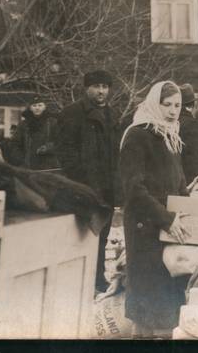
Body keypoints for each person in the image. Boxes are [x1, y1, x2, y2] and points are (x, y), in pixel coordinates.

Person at [119, 81, 190, 337]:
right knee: (147, 296)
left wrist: (188, 210)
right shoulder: (138, 135)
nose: (173, 111)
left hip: (168, 225)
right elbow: (133, 188)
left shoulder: (171, 135)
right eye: (167, 104)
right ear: (154, 104)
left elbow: (179, 181)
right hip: (145, 226)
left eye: (177, 105)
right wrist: (165, 218)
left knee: (166, 296)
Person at [57, 69, 121, 292]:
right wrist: (79, 180)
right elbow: (66, 152)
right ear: (86, 89)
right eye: (96, 87)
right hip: (83, 186)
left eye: (105, 87)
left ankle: (97, 279)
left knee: (102, 236)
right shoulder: (72, 113)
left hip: (107, 187)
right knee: (80, 234)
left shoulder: (113, 115)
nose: (101, 91)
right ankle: (74, 281)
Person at [11, 94, 59, 170]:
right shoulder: (23, 125)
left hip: (48, 166)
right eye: (34, 105)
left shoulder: (53, 123)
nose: (37, 108)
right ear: (30, 108)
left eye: (40, 105)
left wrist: (48, 147)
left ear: (45, 107)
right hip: (28, 166)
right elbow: (15, 144)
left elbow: (60, 141)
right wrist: (21, 161)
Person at [177, 83, 198, 184]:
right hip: (186, 181)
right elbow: (196, 159)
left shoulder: (169, 120)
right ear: (193, 104)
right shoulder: (192, 125)